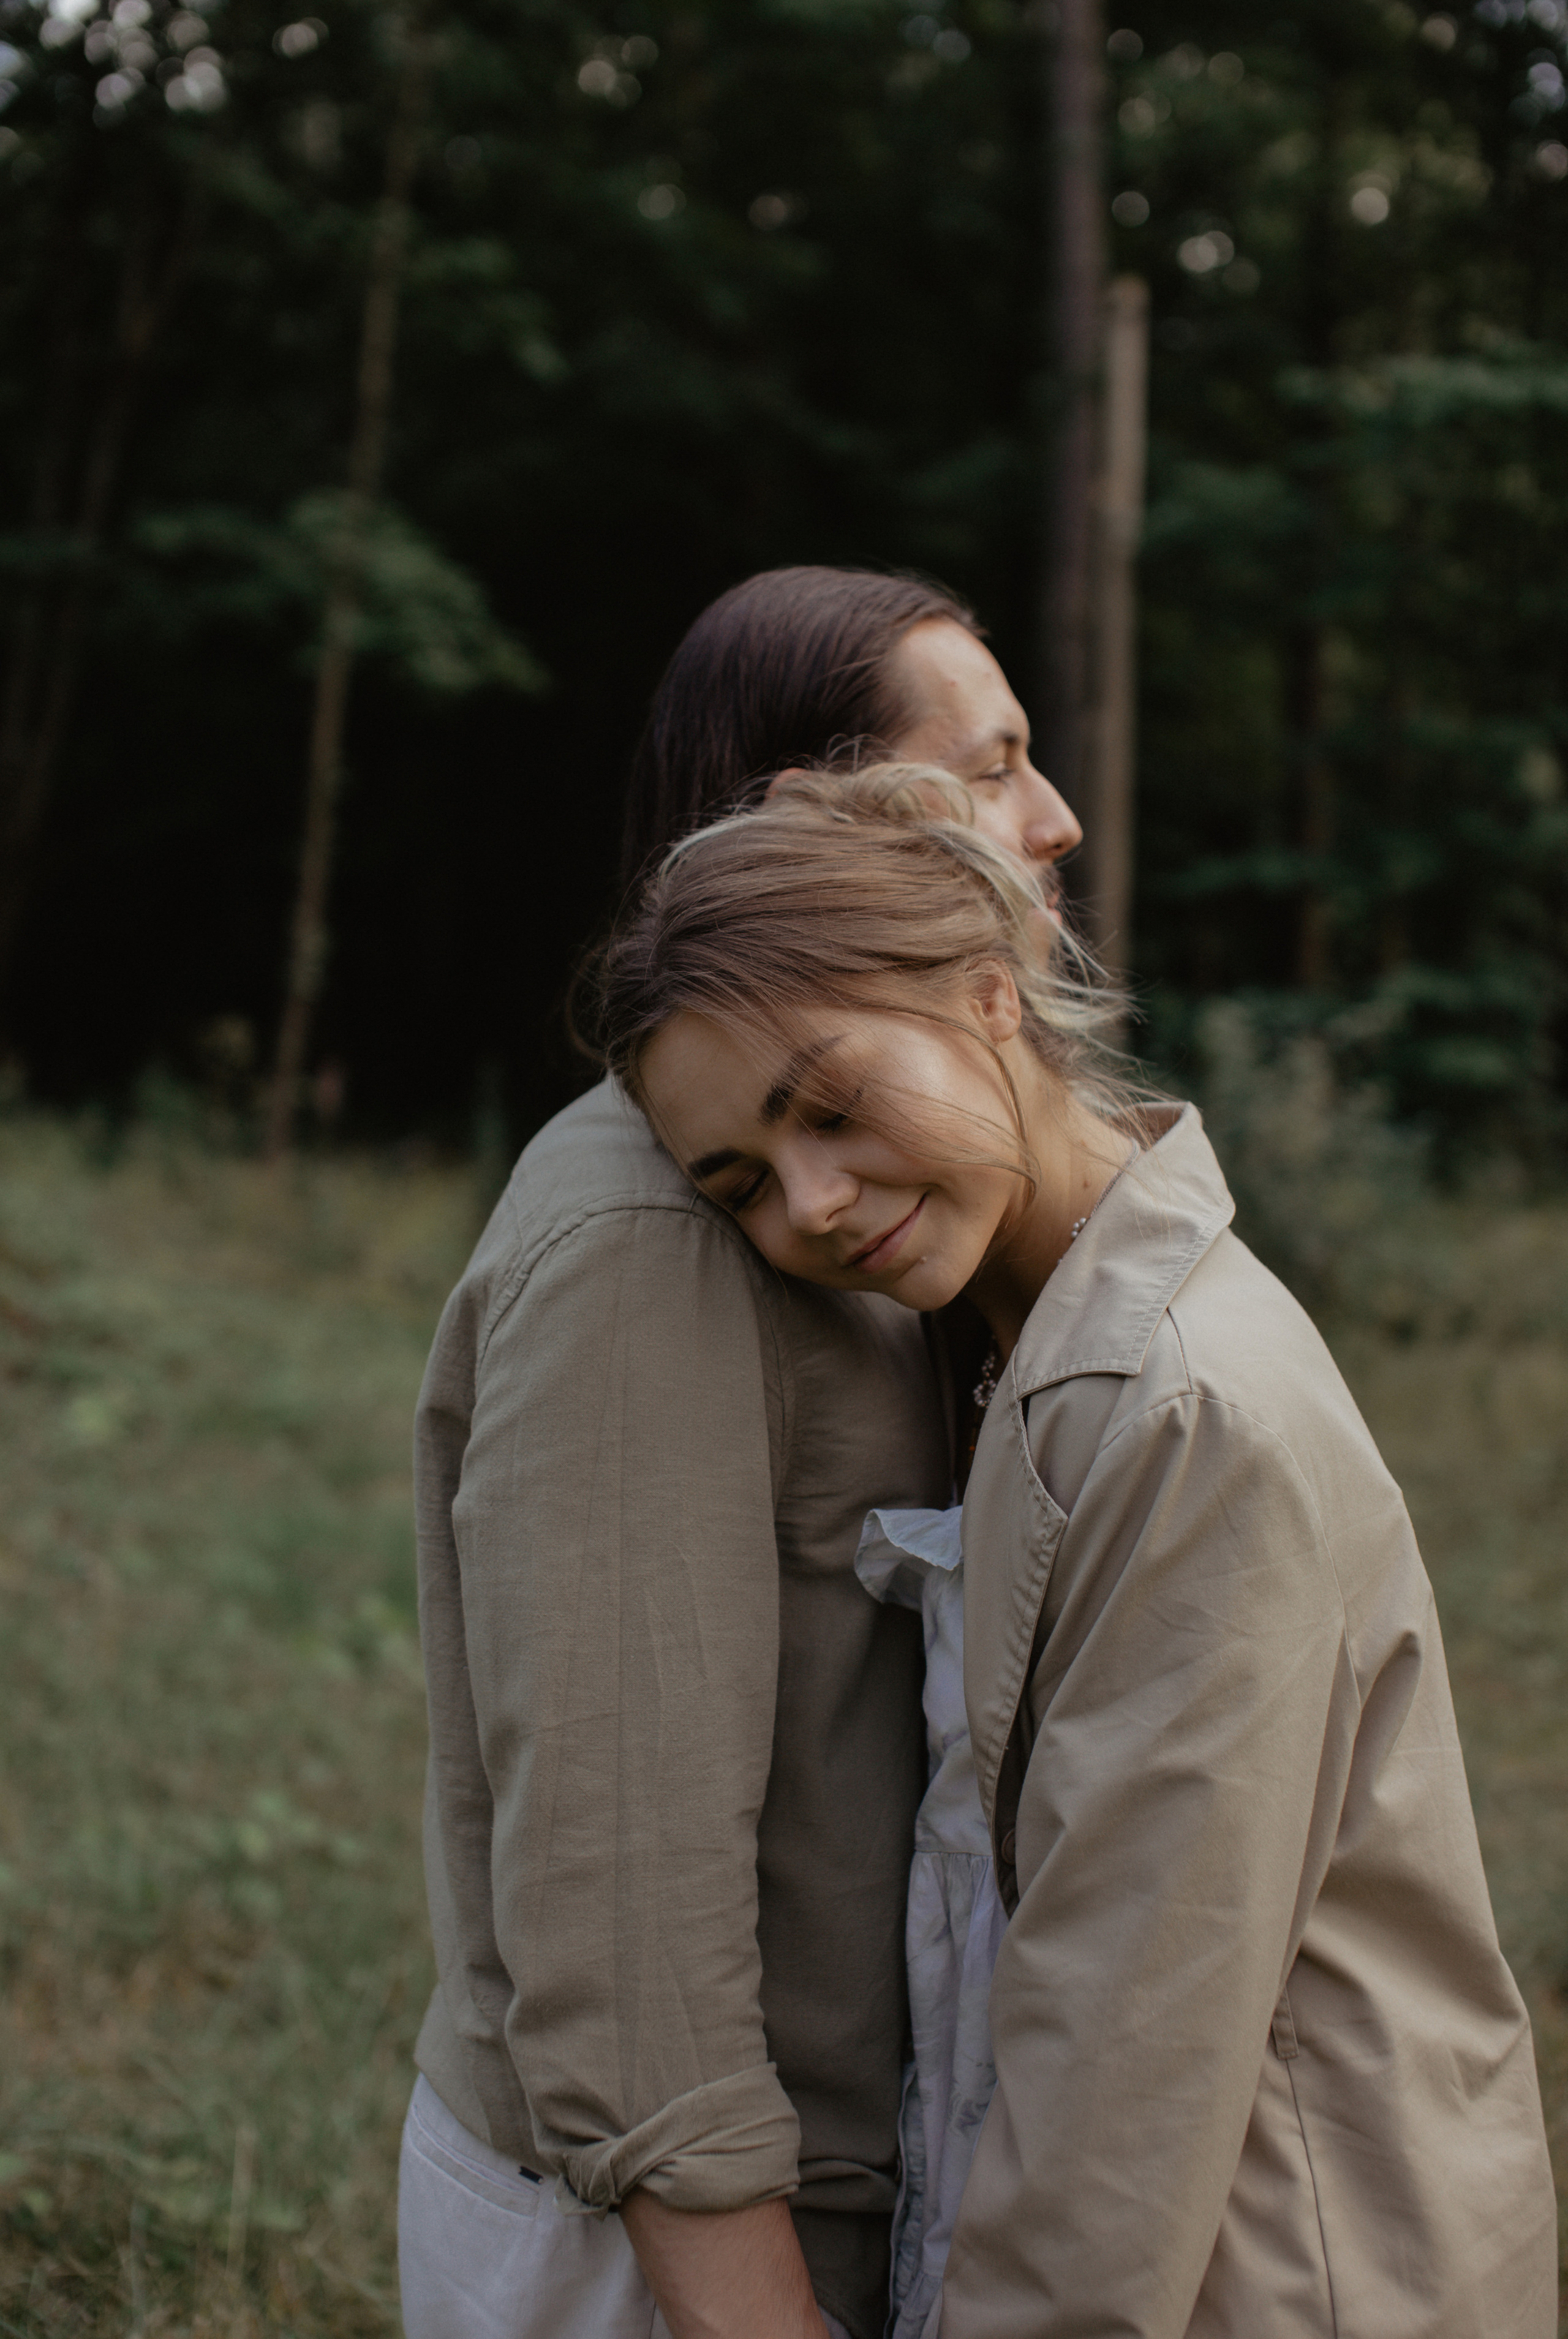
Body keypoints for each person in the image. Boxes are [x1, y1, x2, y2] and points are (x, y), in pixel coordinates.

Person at [594, 763, 1559, 2339]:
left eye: (827, 1104)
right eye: (740, 1186)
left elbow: (1125, 2076)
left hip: (1287, 2277)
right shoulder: (1011, 1340)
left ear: (988, 994)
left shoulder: (1186, 1415)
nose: (814, 1207)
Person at [398, 568, 1084, 2339]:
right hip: (671, 2253)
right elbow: (620, 1912)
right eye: (995, 764)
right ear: (815, 814)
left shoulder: (849, 1201)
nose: (1054, 817)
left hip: (831, 2190)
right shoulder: (656, 1246)